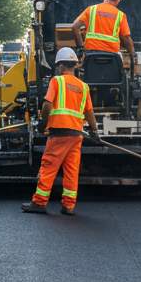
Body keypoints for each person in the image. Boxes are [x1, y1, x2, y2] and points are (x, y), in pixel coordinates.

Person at [22, 47, 100, 215]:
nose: (57, 69)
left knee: (49, 167)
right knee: (71, 170)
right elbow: (89, 112)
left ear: (62, 65)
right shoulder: (83, 87)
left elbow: (47, 104)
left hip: (59, 132)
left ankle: (40, 202)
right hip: (76, 134)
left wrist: (43, 123)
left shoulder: (57, 81)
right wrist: (94, 132)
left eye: (57, 66)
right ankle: (69, 205)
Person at [73, 0, 137, 76]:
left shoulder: (91, 9)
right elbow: (126, 38)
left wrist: (80, 47)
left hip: (91, 57)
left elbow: (74, 27)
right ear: (118, 0)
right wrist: (132, 53)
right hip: (112, 58)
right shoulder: (120, 15)